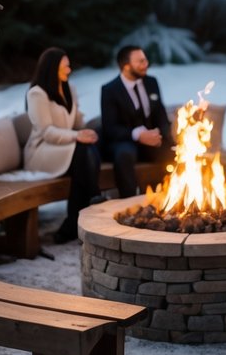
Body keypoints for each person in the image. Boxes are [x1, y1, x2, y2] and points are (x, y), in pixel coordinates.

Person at [24, 46, 101, 243]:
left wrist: (85, 130)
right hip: (42, 151)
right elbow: (46, 132)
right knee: (82, 152)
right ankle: (94, 197)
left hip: (65, 148)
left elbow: (75, 120)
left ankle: (72, 223)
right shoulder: (37, 94)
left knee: (85, 155)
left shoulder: (69, 88)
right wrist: (76, 136)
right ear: (52, 68)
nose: (69, 70)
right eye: (65, 66)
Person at [100, 44, 173, 198]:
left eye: (145, 60)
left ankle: (163, 199)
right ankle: (129, 202)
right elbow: (110, 128)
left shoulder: (151, 82)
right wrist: (138, 135)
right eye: (140, 61)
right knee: (124, 155)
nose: (145, 64)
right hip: (125, 140)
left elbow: (160, 113)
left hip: (152, 139)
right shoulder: (109, 90)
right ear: (126, 66)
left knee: (173, 152)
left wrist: (161, 133)